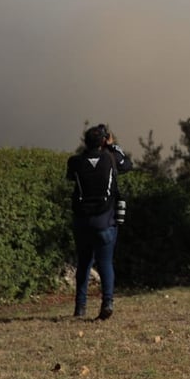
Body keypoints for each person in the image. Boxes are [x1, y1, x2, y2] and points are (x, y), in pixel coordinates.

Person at [66, 123, 133, 320]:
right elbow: (127, 164)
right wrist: (112, 146)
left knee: (84, 263)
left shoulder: (75, 162)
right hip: (105, 221)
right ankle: (108, 302)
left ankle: (80, 308)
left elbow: (72, 176)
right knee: (105, 262)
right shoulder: (111, 158)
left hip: (82, 222)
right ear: (105, 140)